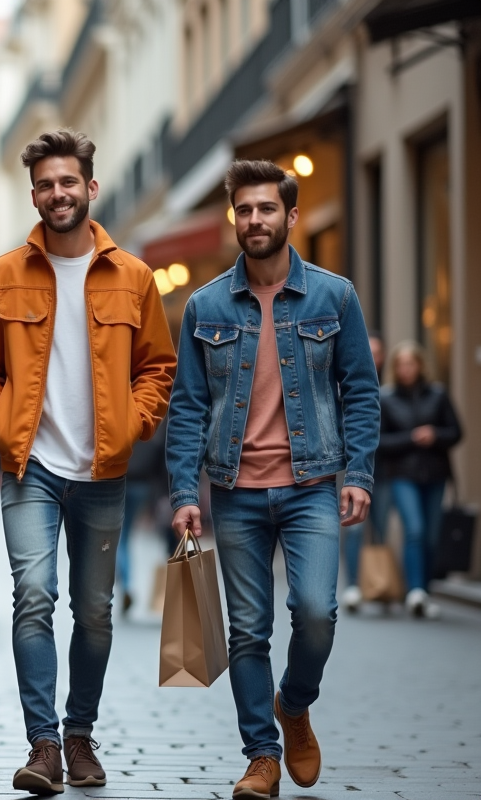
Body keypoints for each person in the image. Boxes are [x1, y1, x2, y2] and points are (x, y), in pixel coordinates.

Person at [0, 130, 176, 795]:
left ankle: (80, 733)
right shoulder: (2, 274)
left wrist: (134, 424)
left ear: (91, 186)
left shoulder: (134, 277)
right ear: (34, 195)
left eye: (68, 182)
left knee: (94, 612)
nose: (57, 194)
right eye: (45, 185)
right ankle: (44, 745)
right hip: (31, 469)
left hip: (103, 473)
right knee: (33, 598)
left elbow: (157, 367)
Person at [167, 159, 379, 799]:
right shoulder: (205, 305)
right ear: (234, 216)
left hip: (312, 483)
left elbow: (361, 391)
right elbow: (187, 407)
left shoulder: (333, 296)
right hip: (235, 493)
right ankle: (260, 756)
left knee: (316, 613)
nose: (253, 220)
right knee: (247, 630)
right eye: (244, 210)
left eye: (266, 209)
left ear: (291, 215)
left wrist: (359, 473)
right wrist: (184, 493)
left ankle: (294, 702)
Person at [377, 341, 462, 618]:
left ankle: (424, 590)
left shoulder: (438, 394)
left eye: (410, 363)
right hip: (403, 475)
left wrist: (435, 435)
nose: (405, 369)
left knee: (432, 536)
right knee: (414, 529)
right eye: (400, 364)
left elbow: (457, 432)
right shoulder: (387, 398)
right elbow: (380, 441)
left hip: (436, 474)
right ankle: (415, 591)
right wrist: (412, 438)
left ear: (420, 365)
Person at [341, 331, 391, 613]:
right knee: (356, 530)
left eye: (377, 352)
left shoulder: (391, 389)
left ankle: (382, 585)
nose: (372, 357)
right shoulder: (347, 384)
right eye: (368, 351)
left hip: (385, 472)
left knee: (381, 529)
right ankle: (354, 586)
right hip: (352, 469)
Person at [115, 422, 170, 616]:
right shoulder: (150, 432)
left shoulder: (121, 425)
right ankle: (126, 583)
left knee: (117, 535)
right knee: (126, 533)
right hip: (142, 488)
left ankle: (124, 582)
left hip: (118, 483)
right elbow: (159, 467)